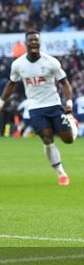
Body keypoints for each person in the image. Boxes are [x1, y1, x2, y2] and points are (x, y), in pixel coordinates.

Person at [0, 30, 78, 186]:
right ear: (26, 43)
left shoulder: (51, 62)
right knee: (47, 139)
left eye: (36, 40)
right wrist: (1, 102)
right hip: (35, 108)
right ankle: (61, 173)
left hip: (54, 105)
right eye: (31, 40)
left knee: (68, 140)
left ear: (40, 42)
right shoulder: (18, 64)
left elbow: (64, 83)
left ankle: (71, 121)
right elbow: (11, 84)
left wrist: (69, 102)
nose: (34, 42)